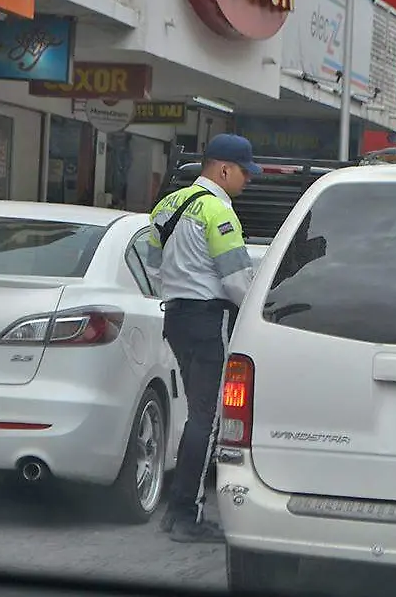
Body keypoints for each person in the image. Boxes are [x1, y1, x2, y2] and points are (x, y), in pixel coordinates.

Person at [145, 134, 260, 543]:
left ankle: (175, 511)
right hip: (209, 321)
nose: (248, 179)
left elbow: (153, 268)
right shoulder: (218, 211)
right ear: (224, 169)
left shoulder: (167, 205)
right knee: (207, 420)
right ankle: (185, 516)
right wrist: (257, 314)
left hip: (176, 318)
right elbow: (237, 282)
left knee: (197, 415)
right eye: (244, 171)